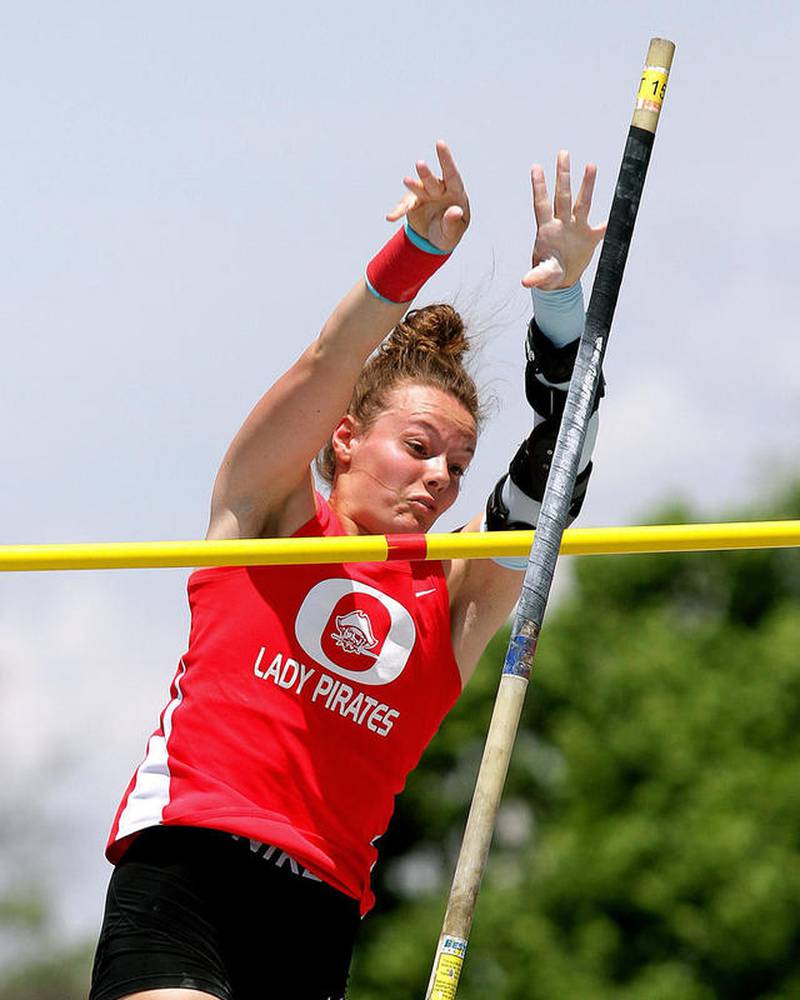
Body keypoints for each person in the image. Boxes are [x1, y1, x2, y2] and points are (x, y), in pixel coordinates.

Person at [89, 141, 606, 1000]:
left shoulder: (451, 592)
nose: (439, 475)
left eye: (457, 462)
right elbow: (325, 367)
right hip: (188, 868)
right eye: (416, 447)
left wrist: (560, 303)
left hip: (317, 912)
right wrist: (416, 253)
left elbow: (563, 467)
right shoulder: (264, 517)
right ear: (344, 438)